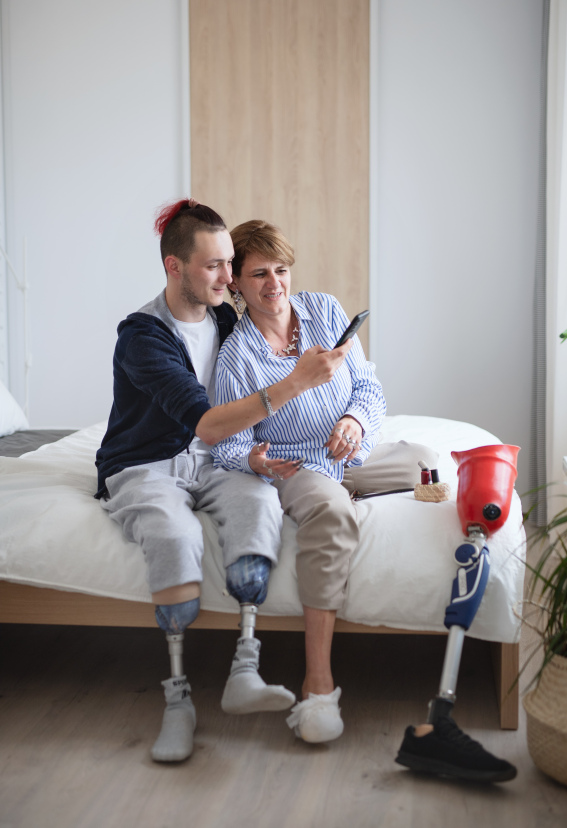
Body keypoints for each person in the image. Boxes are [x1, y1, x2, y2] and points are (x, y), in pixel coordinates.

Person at [95, 200, 350, 763]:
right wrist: (297, 381)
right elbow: (208, 419)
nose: (229, 277)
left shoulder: (224, 317)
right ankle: (179, 698)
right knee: (174, 534)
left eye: (230, 263)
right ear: (174, 267)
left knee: (260, 505)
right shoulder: (142, 336)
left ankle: (246, 667)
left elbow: (229, 420)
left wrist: (267, 452)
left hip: (209, 461)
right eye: (214, 266)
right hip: (147, 463)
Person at [212, 219, 438, 744]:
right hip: (299, 467)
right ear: (238, 286)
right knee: (332, 513)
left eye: (282, 269)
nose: (275, 284)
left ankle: (359, 492)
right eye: (259, 274)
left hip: (349, 452)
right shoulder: (236, 357)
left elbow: (368, 388)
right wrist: (256, 461)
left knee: (428, 462)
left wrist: (355, 421)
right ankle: (318, 684)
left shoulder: (326, 311)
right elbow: (221, 442)